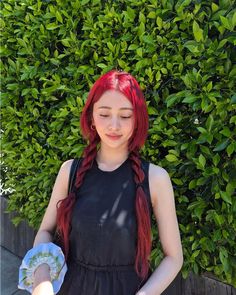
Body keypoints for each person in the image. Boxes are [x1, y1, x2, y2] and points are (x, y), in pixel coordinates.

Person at [18, 70, 183, 295]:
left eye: (125, 116)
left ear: (138, 120)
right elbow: (46, 231)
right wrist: (42, 278)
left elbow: (174, 258)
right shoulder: (70, 171)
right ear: (92, 117)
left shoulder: (155, 179)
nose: (114, 125)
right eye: (104, 114)